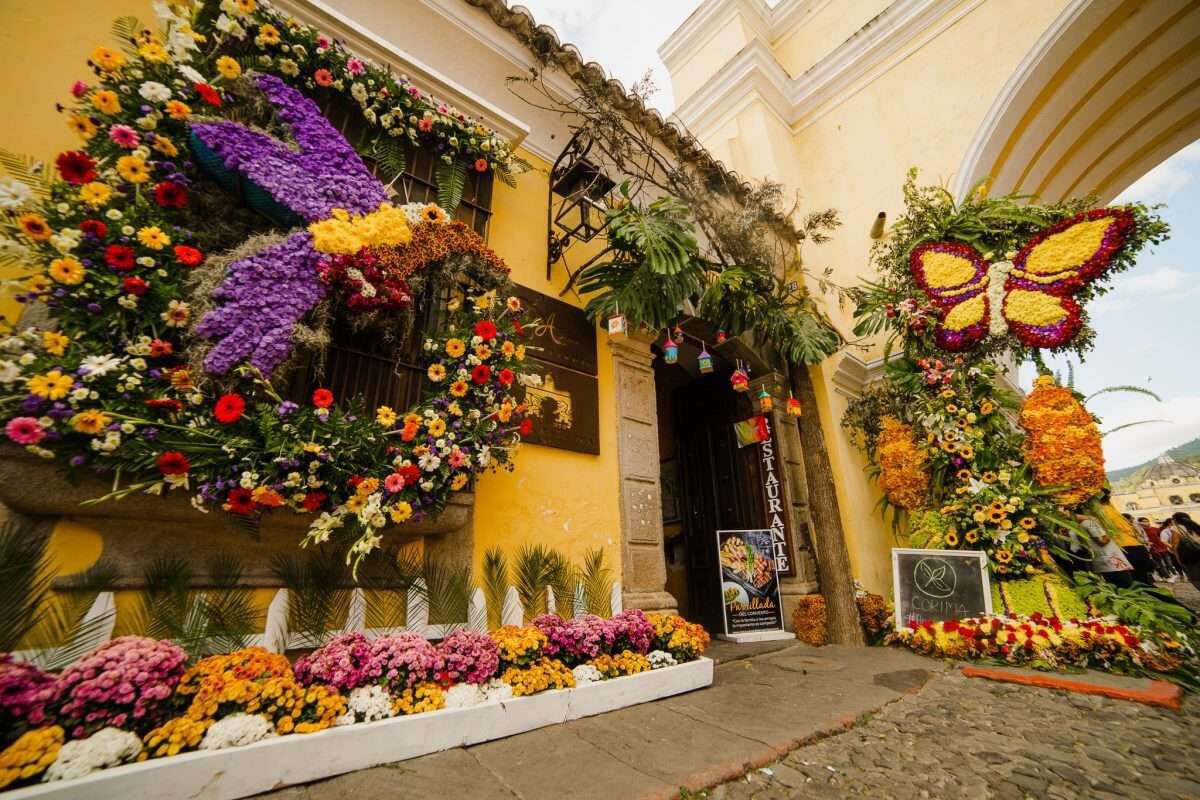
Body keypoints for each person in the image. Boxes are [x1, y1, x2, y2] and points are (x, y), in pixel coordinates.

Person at [1098, 492, 1155, 585]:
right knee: (1143, 583)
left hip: (1127, 550)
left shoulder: (1103, 511)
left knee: (1137, 585)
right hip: (1137, 547)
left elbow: (1108, 533)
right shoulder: (1113, 510)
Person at [1074, 512, 1134, 588]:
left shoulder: (1078, 525)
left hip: (1102, 562)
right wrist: (1111, 531)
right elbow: (1102, 541)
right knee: (1126, 586)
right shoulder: (1088, 523)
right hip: (1112, 562)